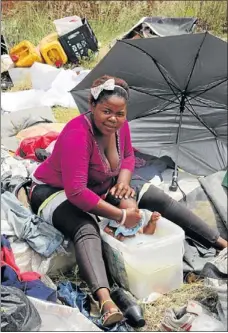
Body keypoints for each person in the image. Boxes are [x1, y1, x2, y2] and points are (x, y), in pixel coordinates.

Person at [30, 75, 227, 327]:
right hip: (54, 191)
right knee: (86, 228)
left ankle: (221, 244)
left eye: (120, 113)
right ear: (91, 105)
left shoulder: (121, 127)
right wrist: (121, 215)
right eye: (106, 111)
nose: (113, 119)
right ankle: (104, 301)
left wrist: (123, 180)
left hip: (102, 183)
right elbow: (77, 192)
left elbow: (129, 158)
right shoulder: (77, 135)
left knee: (155, 196)